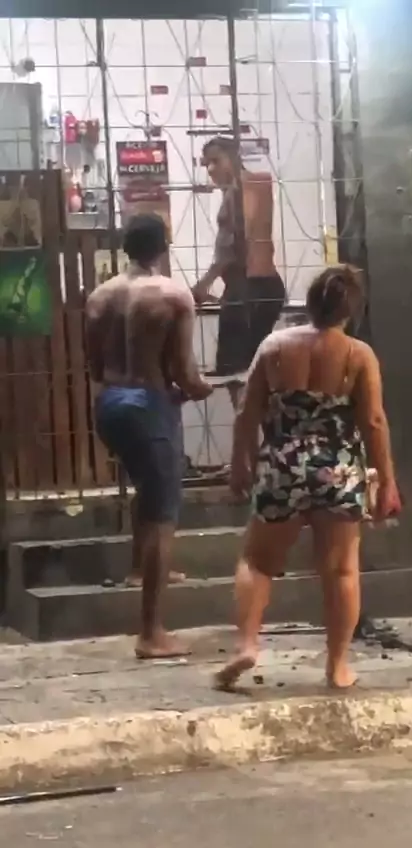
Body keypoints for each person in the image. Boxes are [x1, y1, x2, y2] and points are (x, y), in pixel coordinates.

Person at [214, 264, 402, 690]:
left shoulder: (274, 346)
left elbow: (246, 412)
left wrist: (241, 463)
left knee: (257, 562)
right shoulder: (358, 355)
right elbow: (373, 421)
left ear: (310, 301)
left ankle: (247, 645)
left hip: (282, 465)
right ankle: (337, 666)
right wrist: (388, 481)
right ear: (351, 310)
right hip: (338, 471)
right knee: (341, 571)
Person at [85, 213, 213, 658]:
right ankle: (151, 633)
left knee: (146, 487)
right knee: (163, 515)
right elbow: (183, 371)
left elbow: (96, 366)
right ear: (162, 248)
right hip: (148, 403)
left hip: (110, 404)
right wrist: (202, 389)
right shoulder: (173, 295)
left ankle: (141, 569)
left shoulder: (99, 296)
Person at [192, 136, 286, 410]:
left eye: (215, 160)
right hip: (265, 286)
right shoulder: (256, 185)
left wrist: (204, 284)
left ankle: (248, 432)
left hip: (248, 289)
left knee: (236, 373)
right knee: (252, 369)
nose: (210, 169)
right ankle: (260, 430)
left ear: (234, 157)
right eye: (206, 163)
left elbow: (235, 245)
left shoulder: (240, 191)